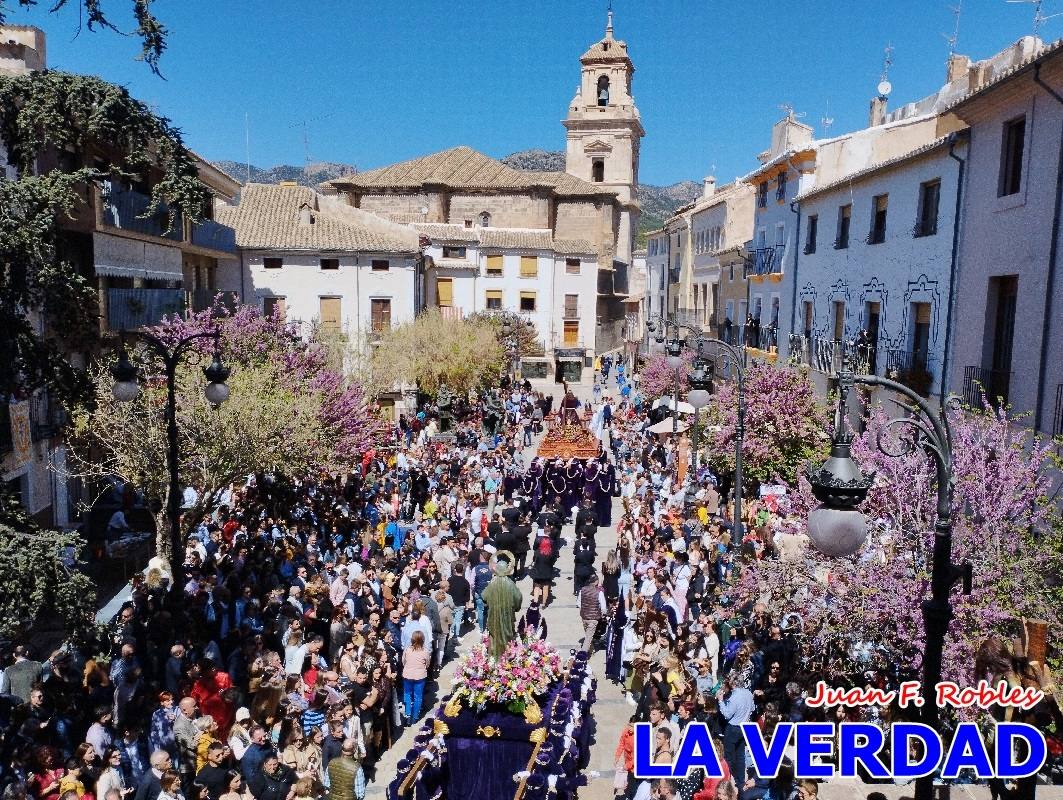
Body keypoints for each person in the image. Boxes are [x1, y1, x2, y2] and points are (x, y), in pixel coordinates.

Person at [401, 631, 430, 724]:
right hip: (420, 676)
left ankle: (408, 714)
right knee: (418, 697)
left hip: (408, 675)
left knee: (407, 694)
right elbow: (428, 663)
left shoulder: (407, 649)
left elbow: (403, 661)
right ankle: (415, 717)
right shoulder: (425, 651)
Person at [579, 571, 605, 653]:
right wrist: (603, 615)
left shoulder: (582, 590)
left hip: (584, 617)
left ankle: (591, 649)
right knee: (588, 638)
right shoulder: (599, 592)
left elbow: (579, 604)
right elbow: (603, 607)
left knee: (588, 635)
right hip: (593, 618)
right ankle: (582, 655)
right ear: (596, 581)